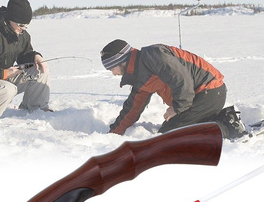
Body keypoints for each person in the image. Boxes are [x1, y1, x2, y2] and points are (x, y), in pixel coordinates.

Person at [101, 39, 244, 138]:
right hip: (198, 98)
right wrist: (113, 135)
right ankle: (223, 119)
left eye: (112, 68)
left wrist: (177, 108)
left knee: (170, 135)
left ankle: (227, 127)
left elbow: (182, 80)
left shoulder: (152, 55)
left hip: (209, 91)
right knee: (168, 133)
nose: (113, 73)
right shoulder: (140, 79)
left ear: (121, 61)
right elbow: (132, 109)